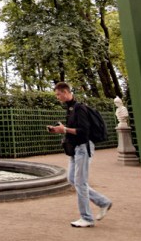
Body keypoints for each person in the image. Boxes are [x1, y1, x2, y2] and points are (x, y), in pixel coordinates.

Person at [48, 82, 112, 228]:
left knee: (81, 182)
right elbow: (72, 129)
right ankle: (103, 202)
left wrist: (64, 130)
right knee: (72, 178)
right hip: (75, 149)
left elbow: (83, 131)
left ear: (65, 92)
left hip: (83, 148)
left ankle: (87, 218)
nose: (57, 97)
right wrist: (61, 129)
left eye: (58, 94)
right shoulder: (70, 109)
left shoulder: (79, 108)